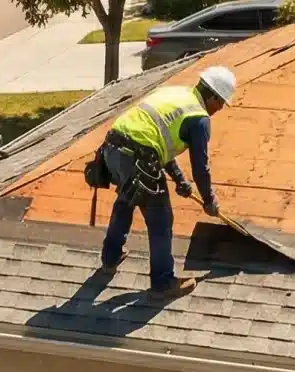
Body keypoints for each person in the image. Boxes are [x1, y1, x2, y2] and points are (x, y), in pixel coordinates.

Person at [99, 65, 236, 298]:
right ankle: (163, 282)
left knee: (125, 201)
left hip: (112, 149)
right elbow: (200, 167)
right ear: (212, 95)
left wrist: (180, 181)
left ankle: (110, 257)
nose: (220, 108)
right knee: (161, 219)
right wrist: (208, 200)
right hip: (140, 158)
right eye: (221, 102)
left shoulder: (176, 94)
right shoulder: (199, 119)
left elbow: (160, 142)